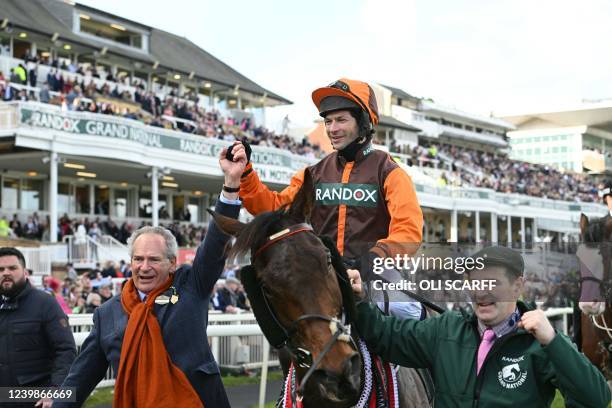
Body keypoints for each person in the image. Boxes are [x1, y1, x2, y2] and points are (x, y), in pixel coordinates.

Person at [56, 146, 246, 408]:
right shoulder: (107, 314)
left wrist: (231, 184)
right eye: (138, 259)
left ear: (172, 264)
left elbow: (215, 242)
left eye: (153, 259)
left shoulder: (192, 285)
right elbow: (81, 376)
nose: (144, 267)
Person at [223, 78, 424, 318]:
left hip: (376, 277)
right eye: (328, 121)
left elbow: (408, 232)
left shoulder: (390, 172)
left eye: (341, 120)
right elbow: (275, 207)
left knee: (410, 314)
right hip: (325, 277)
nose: (332, 128)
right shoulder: (315, 174)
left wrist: (372, 260)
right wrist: (246, 174)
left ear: (363, 123)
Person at [346, 246, 611, 407]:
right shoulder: (446, 329)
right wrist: (358, 301)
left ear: (518, 285)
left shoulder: (541, 344)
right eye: (475, 283)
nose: (481, 293)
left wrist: (554, 342)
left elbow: (596, 400)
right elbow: (387, 337)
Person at [0, 247, 76, 408]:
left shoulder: (45, 303)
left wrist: (55, 390)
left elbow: (66, 350)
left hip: (34, 399)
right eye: (0, 269)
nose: (5, 273)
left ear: (25, 271)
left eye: (12, 268)